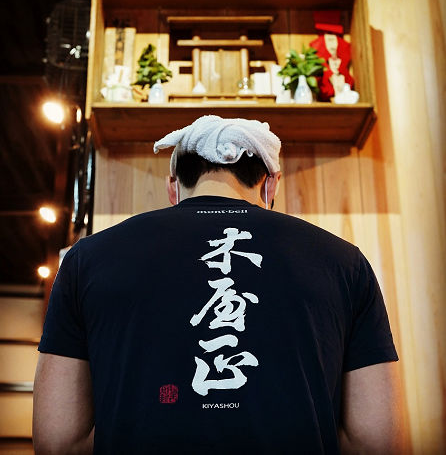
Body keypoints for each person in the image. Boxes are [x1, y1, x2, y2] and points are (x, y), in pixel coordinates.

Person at [33, 115, 402, 454]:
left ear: (173, 186)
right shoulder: (345, 263)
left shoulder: (87, 260)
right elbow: (373, 442)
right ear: (271, 183)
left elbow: (58, 442)